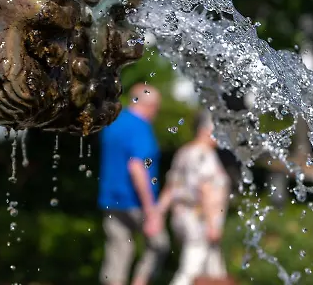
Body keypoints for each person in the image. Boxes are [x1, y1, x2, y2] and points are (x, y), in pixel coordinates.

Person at [98, 83, 170, 285]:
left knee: (119, 250)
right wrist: (151, 211)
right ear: (150, 105)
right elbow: (137, 167)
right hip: (136, 201)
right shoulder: (141, 127)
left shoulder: (114, 123)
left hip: (111, 200)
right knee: (159, 245)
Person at [151, 110, 231, 285]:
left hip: (182, 217)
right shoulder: (204, 155)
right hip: (199, 220)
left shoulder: (184, 152)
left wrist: (158, 214)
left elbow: (171, 186)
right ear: (205, 130)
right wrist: (212, 225)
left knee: (213, 272)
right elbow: (206, 190)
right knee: (190, 270)